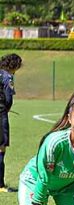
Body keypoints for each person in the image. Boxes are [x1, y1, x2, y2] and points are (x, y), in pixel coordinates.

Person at [0, 53, 22, 192]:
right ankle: (0, 185)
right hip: (0, 113)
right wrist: (5, 109)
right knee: (1, 148)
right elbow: (8, 98)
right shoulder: (8, 77)